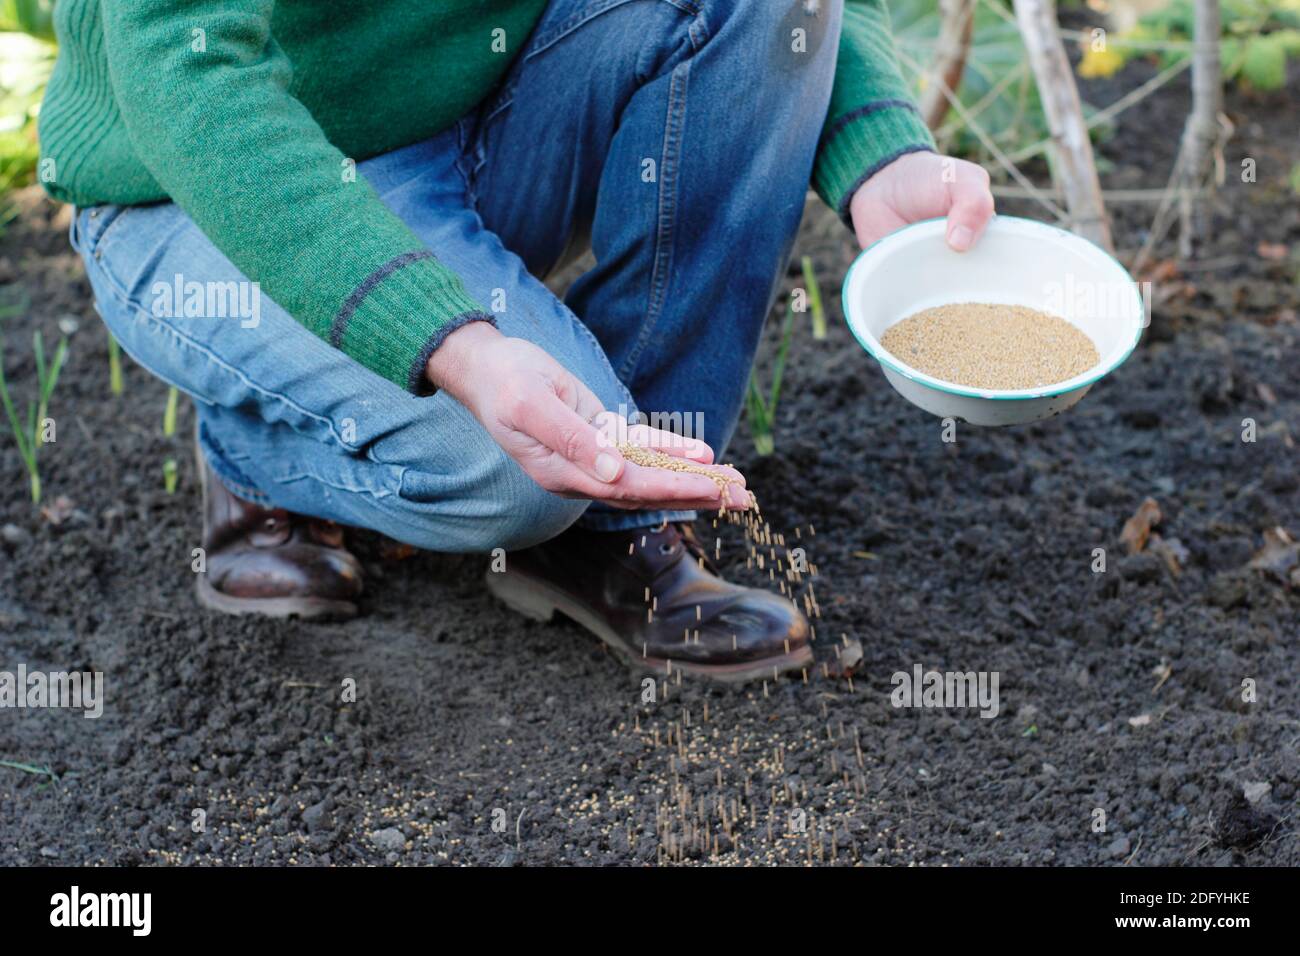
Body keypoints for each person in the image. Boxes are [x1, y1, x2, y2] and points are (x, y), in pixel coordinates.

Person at [39, 0, 994, 682]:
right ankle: (255, 455)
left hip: (469, 122)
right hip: (194, 189)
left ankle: (617, 525)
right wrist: (450, 341)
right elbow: (186, 76)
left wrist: (880, 152)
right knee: (513, 475)